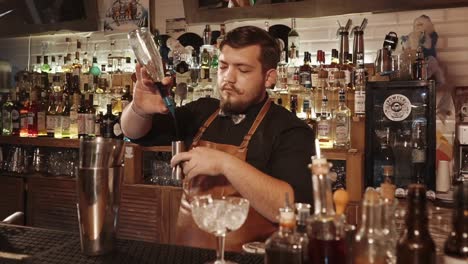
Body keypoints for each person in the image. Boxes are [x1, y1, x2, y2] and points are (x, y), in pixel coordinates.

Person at [121, 25, 315, 251]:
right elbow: (135, 132)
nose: (228, 78)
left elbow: (290, 208)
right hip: (187, 255)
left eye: (242, 70)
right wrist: (139, 109)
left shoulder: (290, 129)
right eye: (223, 66)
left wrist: (224, 163)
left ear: (269, 77)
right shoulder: (203, 111)